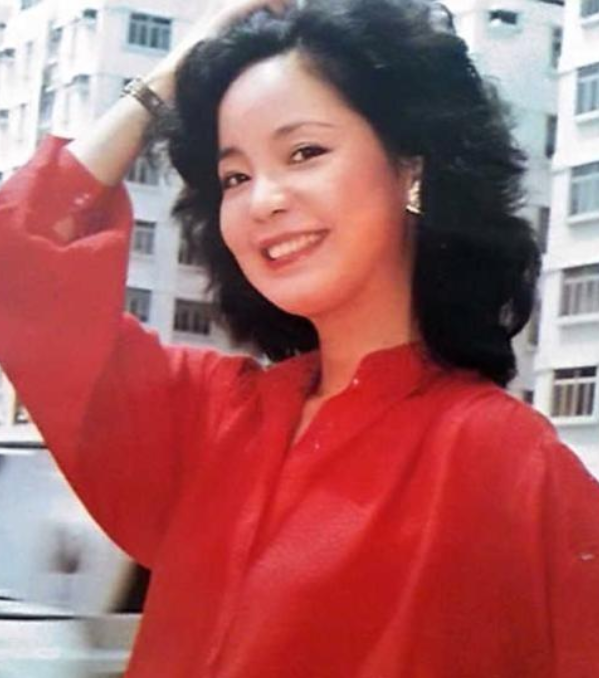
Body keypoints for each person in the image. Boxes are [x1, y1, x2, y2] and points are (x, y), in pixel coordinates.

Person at [0, 0, 598, 676]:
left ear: (411, 167)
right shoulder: (205, 418)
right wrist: (174, 73)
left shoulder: (510, 465)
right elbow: (18, 265)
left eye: (304, 152)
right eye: (235, 176)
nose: (263, 200)